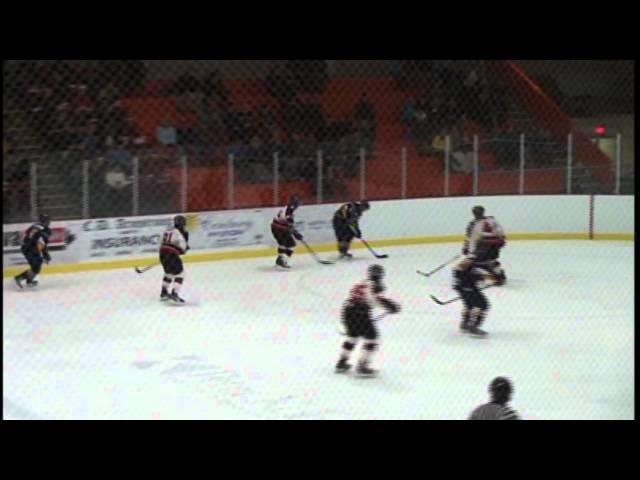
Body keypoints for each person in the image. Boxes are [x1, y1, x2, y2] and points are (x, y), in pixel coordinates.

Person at [335, 265, 400, 377]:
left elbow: (362, 297)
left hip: (347, 312)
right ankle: (362, 366)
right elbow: (374, 299)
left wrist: (388, 305)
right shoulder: (376, 285)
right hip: (360, 313)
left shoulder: (362, 282)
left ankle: (342, 362)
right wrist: (390, 306)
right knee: (372, 339)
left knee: (352, 337)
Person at [462, 205, 507, 285]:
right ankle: (499, 275)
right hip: (495, 246)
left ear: (473, 213)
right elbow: (501, 234)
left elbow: (469, 237)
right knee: (491, 261)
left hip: (483, 247)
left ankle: (486, 277)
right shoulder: (492, 220)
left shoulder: (473, 224)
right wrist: (500, 242)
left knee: (474, 263)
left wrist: (466, 248)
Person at [453, 257, 490, 337]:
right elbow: (477, 277)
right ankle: (474, 327)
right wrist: (484, 278)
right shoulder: (470, 271)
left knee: (469, 306)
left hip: (462, 290)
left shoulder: (457, 270)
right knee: (483, 305)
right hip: (470, 290)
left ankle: (465, 324)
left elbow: (457, 282)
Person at [14, 214, 52, 288]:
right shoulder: (45, 231)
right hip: (31, 249)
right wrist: (46, 255)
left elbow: (27, 236)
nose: (49, 222)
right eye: (48, 220)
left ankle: (29, 281)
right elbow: (42, 244)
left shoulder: (34, 226)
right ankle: (19, 278)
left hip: (27, 248)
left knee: (36, 266)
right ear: (45, 221)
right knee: (36, 267)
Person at [159, 215, 190, 304]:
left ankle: (164, 293)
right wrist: (185, 249)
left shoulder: (167, 230)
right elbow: (183, 248)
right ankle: (174, 293)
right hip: (172, 254)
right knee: (180, 273)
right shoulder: (180, 232)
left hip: (162, 253)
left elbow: (161, 243)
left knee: (168, 273)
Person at [271, 196, 303, 269]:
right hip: (280, 229)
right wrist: (295, 233)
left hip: (275, 228)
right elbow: (289, 224)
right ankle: (282, 261)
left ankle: (280, 260)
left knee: (282, 244)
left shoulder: (286, 208)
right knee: (291, 244)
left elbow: (288, 224)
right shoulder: (290, 209)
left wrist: (295, 232)